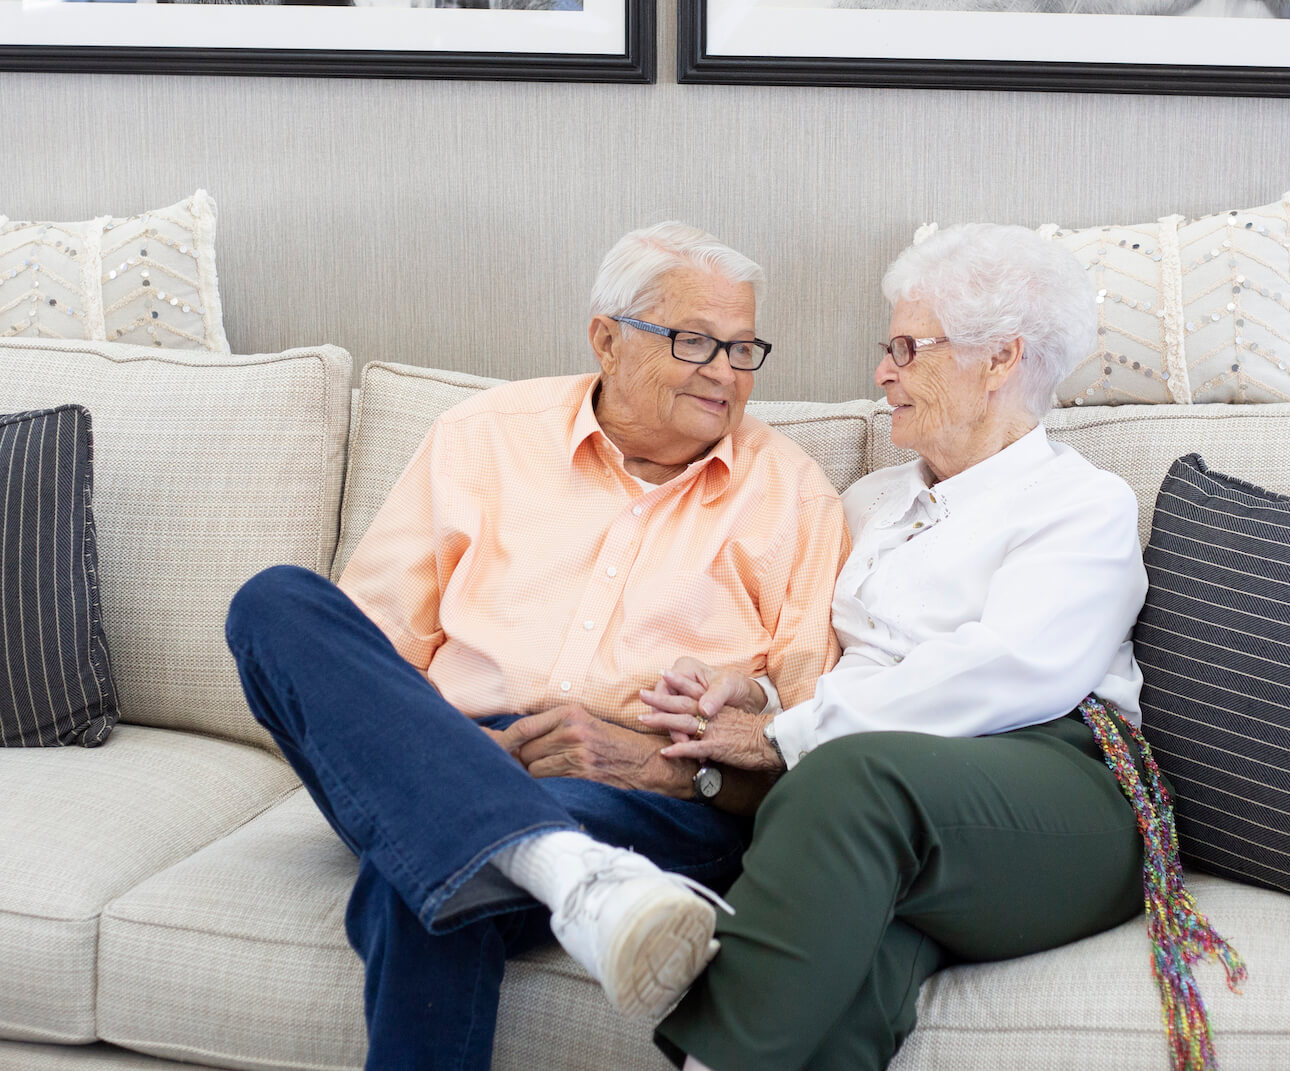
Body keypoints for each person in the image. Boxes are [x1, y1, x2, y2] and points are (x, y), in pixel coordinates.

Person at [222, 221, 849, 1070]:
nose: (726, 374)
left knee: (423, 871)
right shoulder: (483, 437)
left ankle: (502, 837)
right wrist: (457, 755)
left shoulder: (793, 497)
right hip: (443, 747)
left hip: (643, 796)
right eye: (696, 341)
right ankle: (548, 860)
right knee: (275, 604)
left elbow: (814, 754)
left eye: (743, 349)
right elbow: (368, 663)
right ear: (607, 340)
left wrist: (650, 761)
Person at [640, 222, 1244, 1071]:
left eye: (905, 347)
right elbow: (837, 663)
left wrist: (786, 737)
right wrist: (760, 700)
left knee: (841, 781)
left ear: (1000, 358)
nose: (882, 372)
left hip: (1062, 789)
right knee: (857, 959)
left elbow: (1004, 670)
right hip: (896, 805)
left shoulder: (1078, 505)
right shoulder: (869, 502)